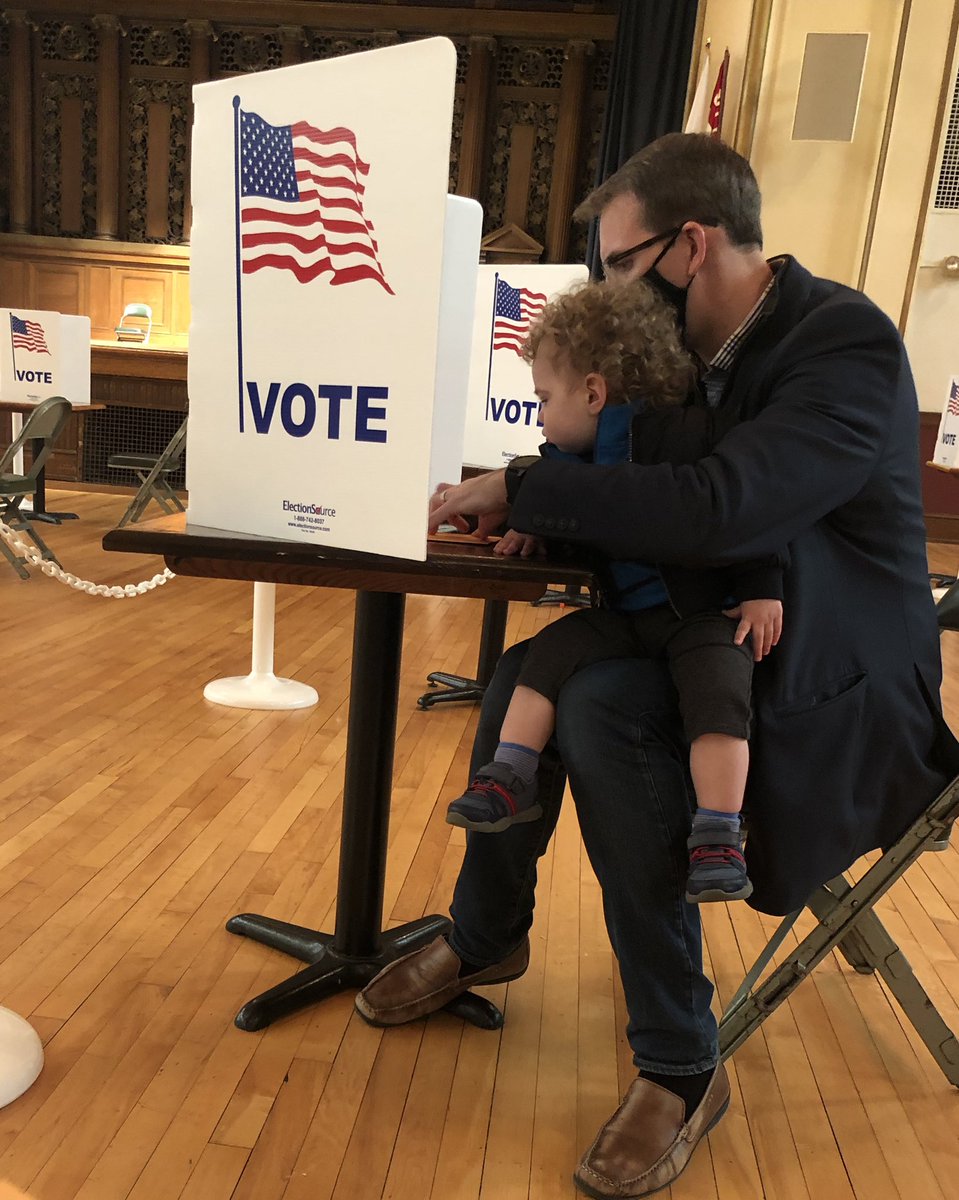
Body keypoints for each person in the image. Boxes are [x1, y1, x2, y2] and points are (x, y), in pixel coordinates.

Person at [355, 133, 959, 1199]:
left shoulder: (841, 340)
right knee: (527, 681)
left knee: (593, 712)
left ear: (688, 247)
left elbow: (721, 508)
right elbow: (660, 502)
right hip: (719, 638)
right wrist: (546, 522)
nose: (605, 292)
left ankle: (680, 1065)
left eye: (615, 266)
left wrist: (528, 486)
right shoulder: (688, 355)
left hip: (827, 675)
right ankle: (485, 935)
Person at [446, 278, 785, 907]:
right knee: (548, 651)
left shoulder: (687, 433)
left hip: (702, 614)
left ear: (594, 392)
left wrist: (763, 588)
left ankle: (718, 830)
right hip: (627, 617)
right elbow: (569, 510)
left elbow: (746, 514)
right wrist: (530, 527)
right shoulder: (570, 457)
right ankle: (512, 772)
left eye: (544, 398)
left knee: (720, 687)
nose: (541, 415)